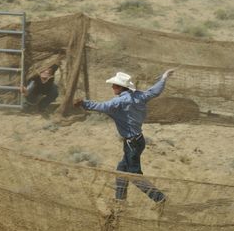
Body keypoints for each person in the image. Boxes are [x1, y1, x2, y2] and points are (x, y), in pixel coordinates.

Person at [73, 69, 175, 206]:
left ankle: (160, 199)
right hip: (138, 140)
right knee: (122, 169)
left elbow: (103, 106)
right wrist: (163, 78)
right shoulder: (139, 96)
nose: (112, 87)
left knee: (134, 175)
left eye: (115, 85)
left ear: (122, 87)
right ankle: (120, 201)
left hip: (131, 143)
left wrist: (84, 103)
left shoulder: (120, 102)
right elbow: (154, 91)